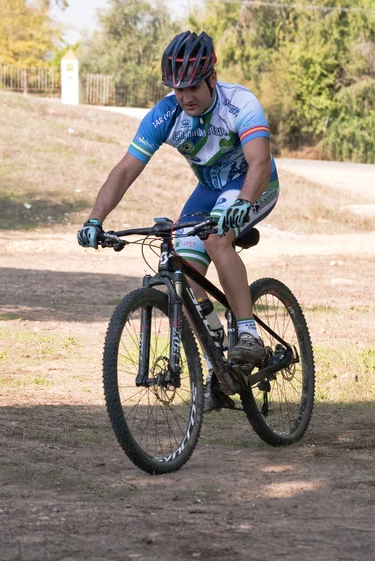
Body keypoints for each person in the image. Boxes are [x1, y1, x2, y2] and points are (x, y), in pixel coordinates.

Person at [78, 31, 279, 381]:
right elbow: (126, 169)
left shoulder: (240, 103)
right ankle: (215, 337)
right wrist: (95, 219)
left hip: (254, 183)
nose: (185, 96)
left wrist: (245, 202)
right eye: (177, 88)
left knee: (217, 238)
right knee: (181, 257)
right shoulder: (165, 114)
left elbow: (259, 161)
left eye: (193, 87)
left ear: (212, 79)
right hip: (209, 189)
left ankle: (249, 333)